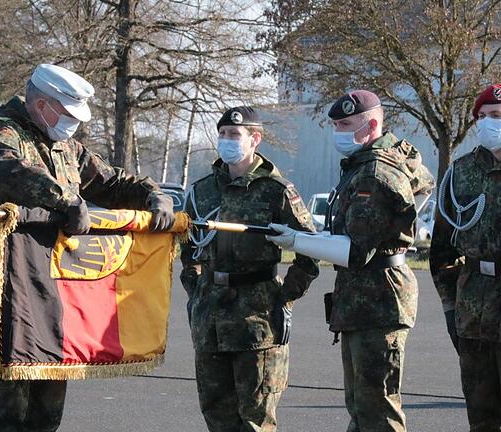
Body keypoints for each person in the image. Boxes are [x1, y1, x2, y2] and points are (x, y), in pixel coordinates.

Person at [0, 63, 176, 432]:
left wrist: (153, 196)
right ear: (44, 104)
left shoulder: (66, 147)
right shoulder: (4, 131)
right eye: (66, 113)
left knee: (48, 412)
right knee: (9, 414)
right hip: (8, 285)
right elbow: (4, 172)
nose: (72, 124)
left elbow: (111, 183)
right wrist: (66, 200)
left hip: (52, 288)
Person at [266, 90, 433, 432]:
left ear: (372, 124)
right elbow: (422, 185)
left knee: (377, 411)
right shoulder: (379, 160)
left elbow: (356, 251)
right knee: (361, 406)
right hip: (366, 299)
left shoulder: (374, 172)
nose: (338, 131)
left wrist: (298, 241)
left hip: (378, 301)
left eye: (345, 124)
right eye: (336, 124)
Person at [180, 106, 319, 432]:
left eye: (235, 135)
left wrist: (284, 298)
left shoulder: (276, 190)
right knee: (217, 416)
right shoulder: (202, 191)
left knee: (256, 420)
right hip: (210, 320)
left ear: (254, 139)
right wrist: (197, 289)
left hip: (258, 321)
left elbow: (309, 251)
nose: (227, 141)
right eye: (223, 134)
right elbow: (189, 248)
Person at [430, 84, 501, 432]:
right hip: (474, 312)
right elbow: (442, 250)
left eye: (497, 117)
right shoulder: (460, 172)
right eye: (483, 117)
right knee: (482, 418)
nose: (489, 123)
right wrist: (450, 307)